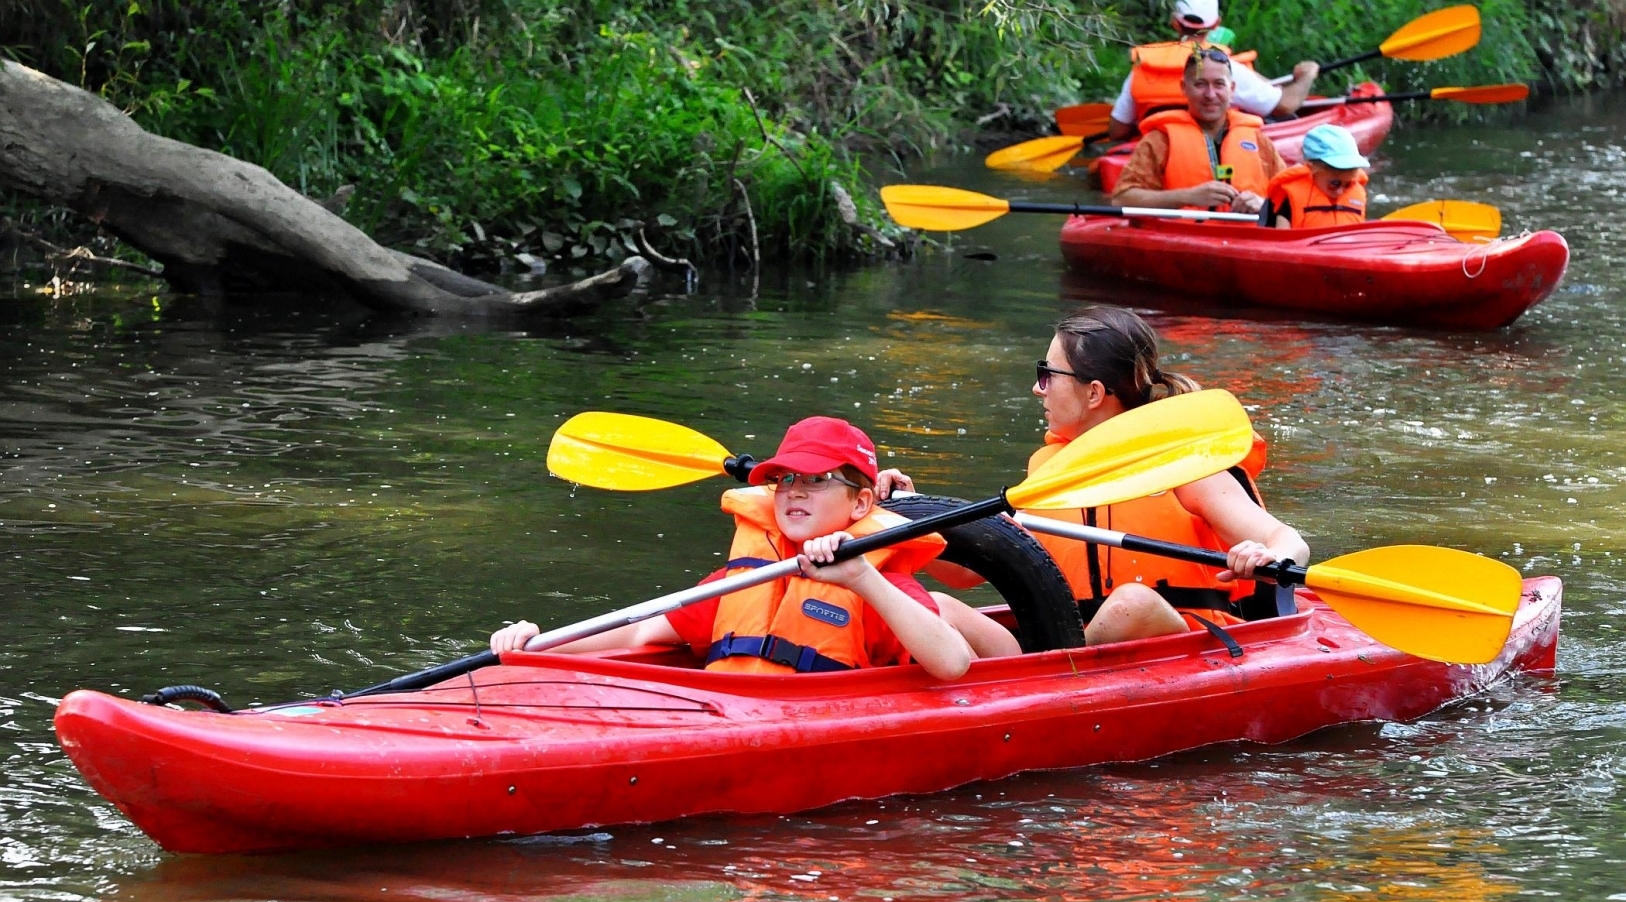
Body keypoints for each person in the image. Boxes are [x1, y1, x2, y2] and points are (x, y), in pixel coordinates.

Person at [878, 307, 1308, 647]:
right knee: (938, 607)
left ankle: (1054, 680)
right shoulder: (1052, 475)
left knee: (1131, 604)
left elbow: (1290, 544)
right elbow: (967, 574)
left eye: (1047, 375)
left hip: (1184, 644)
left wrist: (1265, 556)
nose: (1037, 389)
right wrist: (905, 516)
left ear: (1095, 393)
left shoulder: (1185, 469)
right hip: (1069, 646)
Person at [490, 416, 1019, 680]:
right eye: (785, 479)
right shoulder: (744, 576)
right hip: (738, 709)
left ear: (860, 505)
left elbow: (953, 665)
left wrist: (863, 580)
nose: (793, 490)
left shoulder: (879, 584)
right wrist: (536, 644)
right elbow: (640, 628)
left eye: (815, 481)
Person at [1106, 0, 1319, 142]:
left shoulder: (1142, 68)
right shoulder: (1224, 69)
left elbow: (1117, 131)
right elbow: (1285, 105)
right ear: (1216, 24)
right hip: (1212, 151)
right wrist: (1308, 74)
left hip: (1154, 147)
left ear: (1174, 23)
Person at [1110, 48, 1287, 215]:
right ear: (1184, 88)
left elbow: (1291, 199)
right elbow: (1121, 199)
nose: (1210, 95)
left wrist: (1263, 204)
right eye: (1200, 84)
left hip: (1246, 239)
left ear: (1231, 90)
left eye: (1219, 84)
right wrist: (1186, 196)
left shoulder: (1258, 140)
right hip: (1184, 239)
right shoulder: (1160, 140)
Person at [1267, 123, 1370, 229]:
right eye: (1334, 184)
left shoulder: (1358, 192)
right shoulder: (1290, 196)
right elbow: (1281, 240)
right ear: (1312, 169)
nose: (1340, 191)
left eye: (1348, 184)